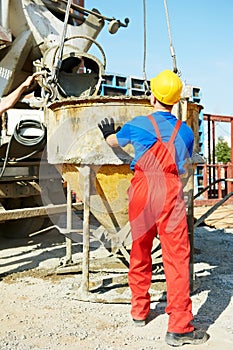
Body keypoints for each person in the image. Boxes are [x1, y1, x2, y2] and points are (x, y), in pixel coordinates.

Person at [98, 69, 208, 347]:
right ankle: (180, 326)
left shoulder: (138, 124)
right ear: (175, 101)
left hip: (142, 188)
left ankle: (139, 310)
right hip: (169, 189)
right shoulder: (185, 131)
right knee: (176, 258)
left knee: (140, 247)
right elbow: (184, 170)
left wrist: (110, 135)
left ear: (152, 97)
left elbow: (114, 142)